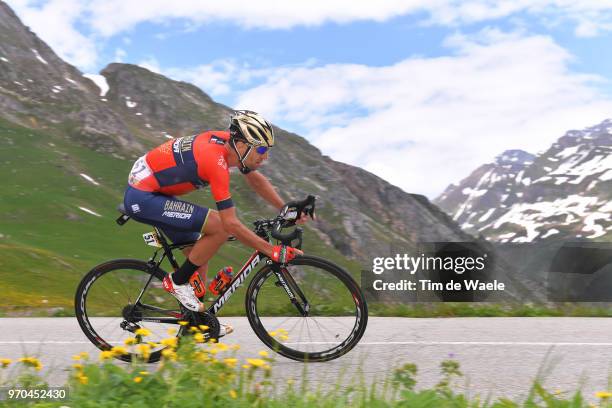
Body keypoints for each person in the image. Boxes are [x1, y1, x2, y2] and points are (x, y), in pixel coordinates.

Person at [123, 110, 305, 336]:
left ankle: (195, 325)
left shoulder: (232, 145)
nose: (264, 156)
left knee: (199, 257)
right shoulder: (215, 161)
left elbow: (254, 179)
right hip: (143, 196)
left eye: (267, 151)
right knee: (218, 227)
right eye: (260, 150)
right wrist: (271, 251)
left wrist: (284, 208)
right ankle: (176, 282)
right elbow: (229, 224)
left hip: (157, 190)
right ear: (241, 145)